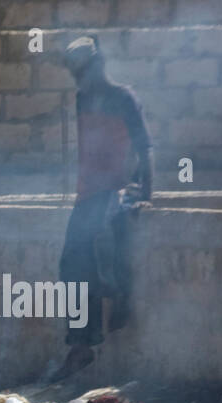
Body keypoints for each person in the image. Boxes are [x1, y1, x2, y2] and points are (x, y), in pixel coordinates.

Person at [54, 36, 152, 379]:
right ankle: (80, 345)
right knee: (70, 267)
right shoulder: (82, 99)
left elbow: (144, 146)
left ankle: (114, 309)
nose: (80, 78)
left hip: (116, 191)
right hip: (88, 195)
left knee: (101, 255)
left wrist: (145, 192)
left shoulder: (123, 98)